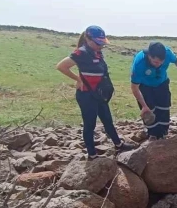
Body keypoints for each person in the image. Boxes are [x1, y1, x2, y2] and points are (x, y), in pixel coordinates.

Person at [56, 25, 133, 160]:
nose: (100, 45)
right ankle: (92, 155)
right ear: (87, 38)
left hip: (99, 94)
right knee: (90, 124)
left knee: (108, 120)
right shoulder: (81, 52)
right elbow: (61, 66)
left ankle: (118, 144)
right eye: (98, 43)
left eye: (102, 43)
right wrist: (78, 79)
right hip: (86, 95)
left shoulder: (97, 52)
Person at [129, 42, 177, 140]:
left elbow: (176, 61)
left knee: (164, 108)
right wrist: (144, 106)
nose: (158, 65)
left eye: (161, 62)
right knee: (150, 111)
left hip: (162, 83)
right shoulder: (139, 63)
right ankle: (152, 135)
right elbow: (134, 87)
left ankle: (163, 134)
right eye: (155, 62)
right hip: (145, 86)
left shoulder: (167, 53)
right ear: (149, 56)